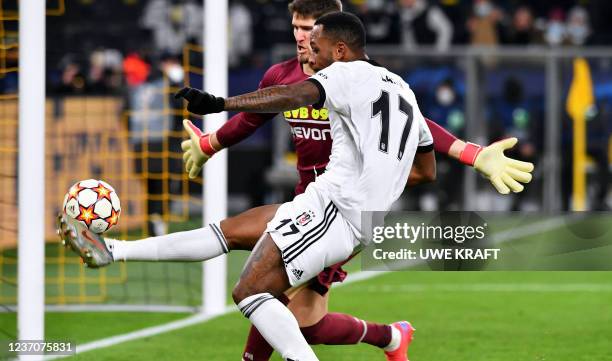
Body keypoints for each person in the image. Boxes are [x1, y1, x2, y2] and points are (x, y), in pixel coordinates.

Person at [59, 1, 534, 360]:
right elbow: (426, 168)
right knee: (234, 234)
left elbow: (296, 94)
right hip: (332, 206)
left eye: (316, 38)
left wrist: (219, 103)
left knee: (252, 295)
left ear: (339, 46)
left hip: (333, 211)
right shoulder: (399, 87)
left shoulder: (342, 76)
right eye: (299, 32)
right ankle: (112, 252)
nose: (307, 45)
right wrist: (385, 180)